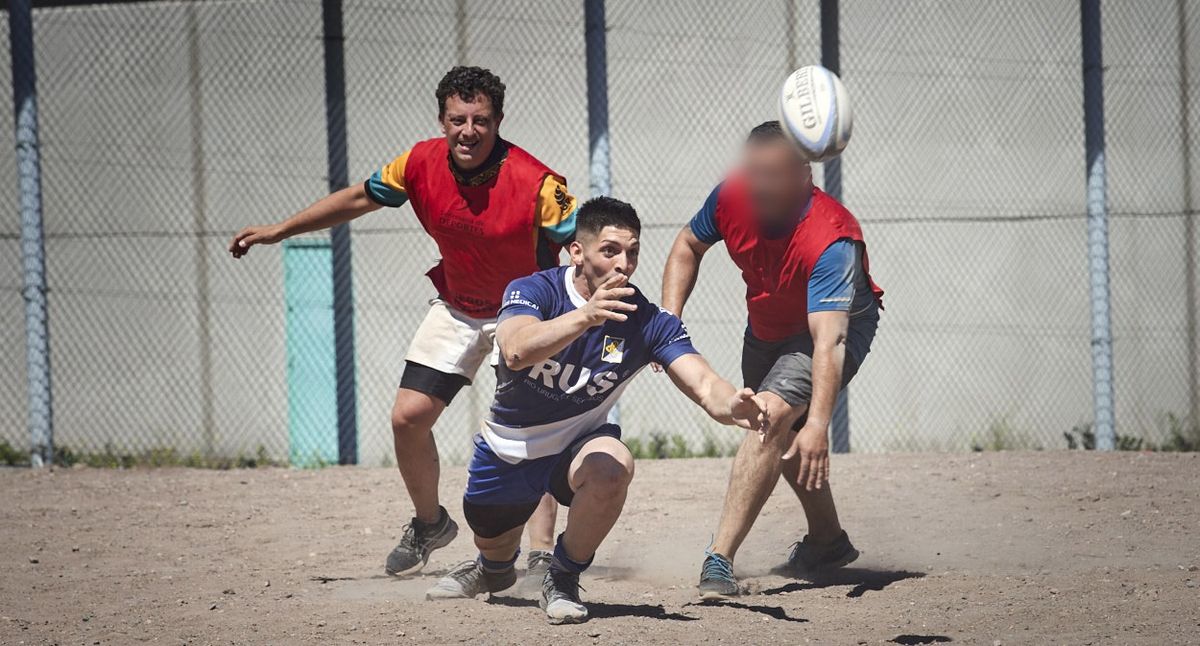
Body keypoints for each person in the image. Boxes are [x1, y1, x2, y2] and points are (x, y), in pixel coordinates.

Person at [228, 66, 570, 578]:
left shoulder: (540, 184)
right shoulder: (417, 162)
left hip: (524, 310)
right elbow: (358, 197)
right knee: (407, 418)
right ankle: (430, 523)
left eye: (480, 120)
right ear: (442, 120)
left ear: (499, 121)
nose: (468, 131)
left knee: (526, 427)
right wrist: (282, 229)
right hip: (458, 303)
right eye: (458, 120)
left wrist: (594, 317)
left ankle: (542, 550)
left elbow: (584, 245)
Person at [424, 196, 768, 624]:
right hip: (508, 449)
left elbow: (703, 382)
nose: (624, 263)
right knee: (494, 551)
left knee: (613, 466)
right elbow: (515, 350)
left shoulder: (647, 319)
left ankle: (563, 576)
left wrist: (732, 404)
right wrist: (585, 317)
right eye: (610, 251)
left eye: (633, 252)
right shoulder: (533, 290)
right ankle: (490, 567)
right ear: (577, 253)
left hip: (576, 448)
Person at [660, 121, 884, 599]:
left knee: (770, 416)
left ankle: (718, 559)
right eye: (752, 170)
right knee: (782, 440)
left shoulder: (831, 238)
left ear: (804, 175)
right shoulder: (731, 197)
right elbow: (686, 246)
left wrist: (821, 423)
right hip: (767, 322)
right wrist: (668, 321)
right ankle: (827, 542)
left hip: (830, 328)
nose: (758, 184)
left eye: (772, 174)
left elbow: (828, 343)